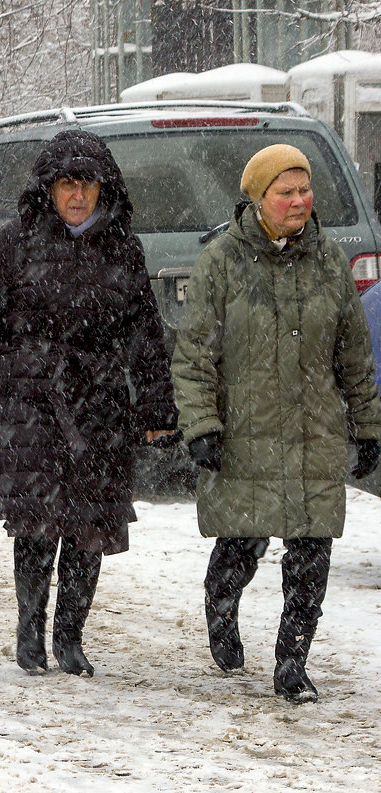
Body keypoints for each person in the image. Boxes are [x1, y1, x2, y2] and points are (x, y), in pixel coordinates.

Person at [0, 130, 177, 677]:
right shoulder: (16, 241)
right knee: (35, 522)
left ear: (103, 187)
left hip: (98, 402)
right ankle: (30, 631)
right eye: (67, 184)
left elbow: (145, 333)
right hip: (27, 398)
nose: (78, 195)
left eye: (88, 183)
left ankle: (70, 636)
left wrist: (156, 407)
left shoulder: (122, 245)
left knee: (89, 524)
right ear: (48, 188)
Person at [172, 144, 381, 704]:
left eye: (304, 189)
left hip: (314, 435)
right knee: (241, 547)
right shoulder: (222, 261)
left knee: (312, 556)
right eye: (284, 192)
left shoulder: (330, 261)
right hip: (246, 434)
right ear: (258, 198)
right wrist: (201, 427)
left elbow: (354, 356)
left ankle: (292, 664)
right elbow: (193, 357)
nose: (298, 201)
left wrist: (368, 426)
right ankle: (222, 606)